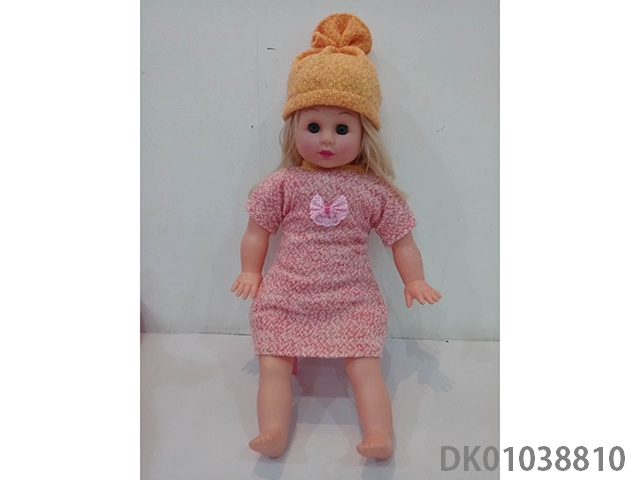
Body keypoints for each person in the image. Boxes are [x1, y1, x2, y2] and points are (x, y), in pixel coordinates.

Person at [231, 13, 441, 460]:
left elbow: (401, 239)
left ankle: (379, 434)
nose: (326, 139)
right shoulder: (283, 184)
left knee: (364, 365)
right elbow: (257, 230)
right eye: (314, 127)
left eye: (342, 128)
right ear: (294, 129)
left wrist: (414, 279)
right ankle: (272, 431)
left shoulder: (373, 190)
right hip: (288, 293)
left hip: (352, 298)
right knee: (273, 361)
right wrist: (250, 270)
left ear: (364, 134)